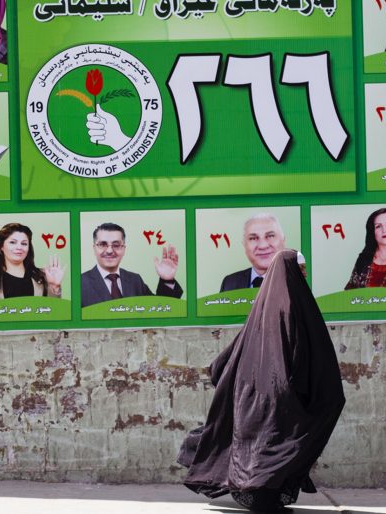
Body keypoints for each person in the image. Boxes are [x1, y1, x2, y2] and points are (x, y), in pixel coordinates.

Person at [180, 250, 344, 512]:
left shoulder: (266, 303)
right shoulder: (292, 305)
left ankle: (260, 493)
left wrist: (221, 371)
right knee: (273, 445)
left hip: (254, 392)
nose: (304, 273)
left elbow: (239, 347)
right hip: (280, 393)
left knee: (262, 445)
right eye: (300, 268)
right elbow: (303, 349)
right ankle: (258, 494)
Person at [80, 222, 183, 307]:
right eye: (103, 244)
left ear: (124, 249)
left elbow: (161, 308)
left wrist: (167, 280)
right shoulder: (80, 283)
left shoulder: (135, 280)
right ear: (94, 248)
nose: (109, 251)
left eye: (116, 245)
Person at [0, 223, 65, 305]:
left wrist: (55, 287)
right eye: (13, 242)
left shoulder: (42, 276)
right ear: (1, 247)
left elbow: (54, 312)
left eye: (24, 243)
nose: (19, 247)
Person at [220, 213, 286, 292]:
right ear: (244, 245)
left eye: (270, 236)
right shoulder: (229, 283)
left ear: (283, 240)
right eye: (253, 238)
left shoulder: (296, 280)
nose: (262, 246)